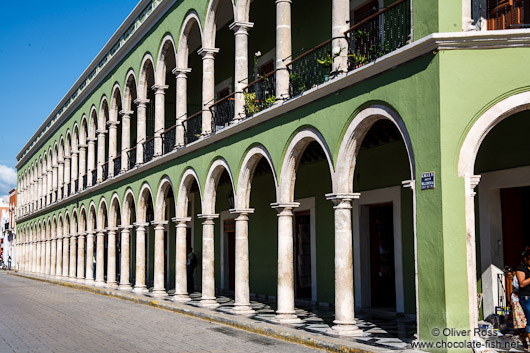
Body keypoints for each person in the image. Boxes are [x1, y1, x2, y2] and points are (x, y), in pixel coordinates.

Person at [515, 249, 530, 350]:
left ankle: (524, 337)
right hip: (526, 298)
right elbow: (522, 283)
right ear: (526, 259)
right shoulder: (521, 269)